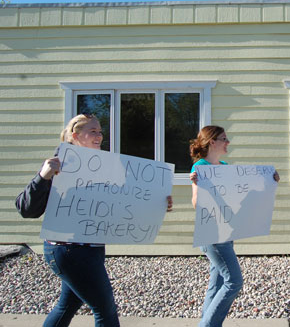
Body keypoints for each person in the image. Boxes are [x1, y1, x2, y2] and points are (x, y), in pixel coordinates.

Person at [15, 114, 173, 327]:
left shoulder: (104, 168)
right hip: (68, 250)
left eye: (100, 131)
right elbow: (27, 209)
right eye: (93, 131)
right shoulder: (59, 165)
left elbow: (122, 203)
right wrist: (43, 176)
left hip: (91, 248)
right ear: (75, 135)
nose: (99, 136)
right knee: (105, 310)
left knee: (67, 305)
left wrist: (158, 203)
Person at [189, 125, 279, 327]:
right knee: (234, 281)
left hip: (227, 232)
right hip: (213, 234)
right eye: (224, 138)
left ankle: (207, 322)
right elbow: (196, 204)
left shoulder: (225, 167)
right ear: (212, 142)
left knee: (218, 282)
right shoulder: (200, 167)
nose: (228, 142)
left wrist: (270, 181)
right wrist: (197, 185)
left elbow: (241, 196)